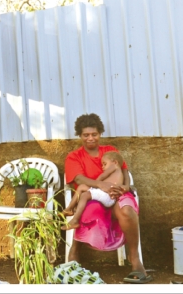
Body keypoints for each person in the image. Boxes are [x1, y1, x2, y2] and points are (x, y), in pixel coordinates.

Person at [64, 113, 152, 284]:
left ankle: (135, 259)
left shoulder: (110, 151)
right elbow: (79, 179)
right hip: (94, 197)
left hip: (117, 193)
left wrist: (126, 186)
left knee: (127, 210)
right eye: (86, 135)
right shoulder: (74, 156)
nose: (90, 138)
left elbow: (124, 169)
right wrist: (100, 185)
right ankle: (75, 251)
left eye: (94, 134)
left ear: (100, 133)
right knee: (88, 209)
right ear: (80, 135)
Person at [61, 150, 124, 230]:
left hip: (108, 196)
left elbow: (102, 176)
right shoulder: (116, 171)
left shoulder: (114, 166)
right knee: (82, 186)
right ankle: (69, 209)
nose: (102, 167)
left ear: (115, 162)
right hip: (104, 194)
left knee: (85, 195)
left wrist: (96, 183)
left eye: (105, 164)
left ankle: (75, 220)